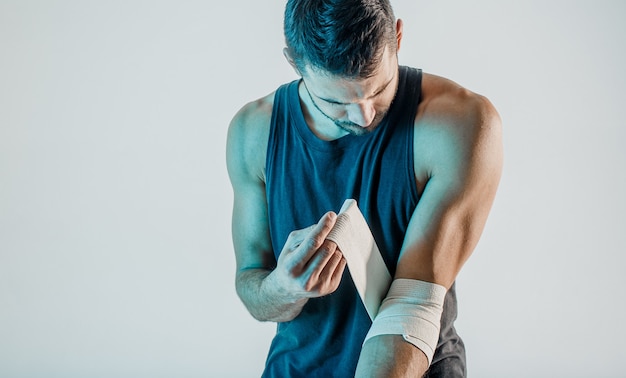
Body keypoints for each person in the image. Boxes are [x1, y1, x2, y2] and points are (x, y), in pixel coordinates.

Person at [226, 0, 503, 376]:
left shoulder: (458, 124)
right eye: (337, 103)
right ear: (295, 63)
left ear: (399, 37)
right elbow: (252, 287)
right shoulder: (253, 133)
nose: (365, 115)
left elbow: (412, 305)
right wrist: (283, 287)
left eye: (378, 90)